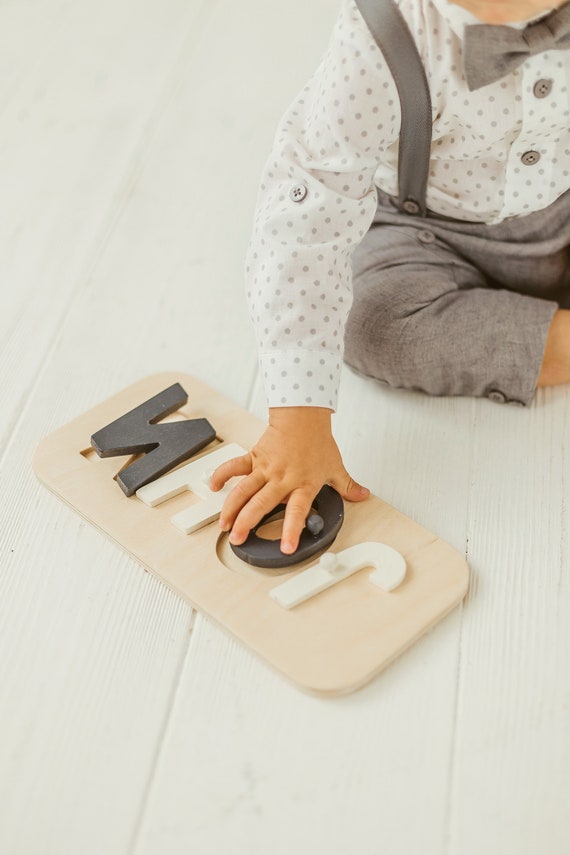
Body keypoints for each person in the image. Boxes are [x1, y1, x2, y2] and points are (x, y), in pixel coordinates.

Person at [211, 0, 570, 554]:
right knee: (375, 326)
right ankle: (555, 340)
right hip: (427, 230)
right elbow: (309, 210)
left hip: (560, 208)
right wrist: (298, 420)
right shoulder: (383, 37)